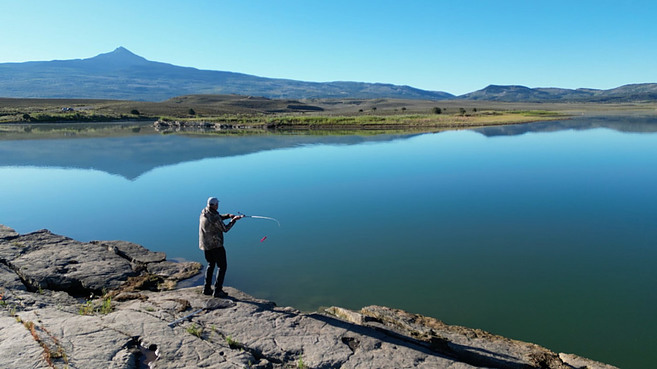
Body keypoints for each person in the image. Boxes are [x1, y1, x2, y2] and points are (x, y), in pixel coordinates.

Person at [199, 197, 244, 297]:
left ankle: (206, 289)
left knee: (211, 264)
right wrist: (234, 220)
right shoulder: (215, 217)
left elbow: (217, 218)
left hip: (205, 245)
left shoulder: (204, 212)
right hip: (216, 246)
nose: (218, 205)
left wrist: (228, 216)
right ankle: (218, 290)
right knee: (222, 267)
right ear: (215, 205)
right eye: (217, 204)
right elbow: (225, 229)